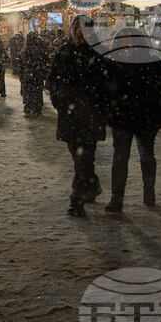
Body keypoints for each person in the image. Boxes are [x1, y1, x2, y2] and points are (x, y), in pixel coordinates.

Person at [104, 27, 161, 214]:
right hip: (122, 118)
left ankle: (149, 191)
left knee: (147, 156)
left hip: (146, 117)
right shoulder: (113, 61)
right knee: (120, 159)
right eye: (124, 39)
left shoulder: (151, 61)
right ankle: (116, 199)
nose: (128, 43)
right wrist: (106, 113)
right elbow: (105, 92)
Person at [48, 15, 111, 217]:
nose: (79, 33)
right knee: (78, 157)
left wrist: (102, 106)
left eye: (83, 29)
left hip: (91, 116)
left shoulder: (99, 54)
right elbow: (52, 80)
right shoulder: (64, 52)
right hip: (69, 115)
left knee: (84, 158)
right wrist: (59, 102)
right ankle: (92, 185)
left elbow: (107, 85)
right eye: (76, 28)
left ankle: (77, 200)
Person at [20, 32, 48, 117]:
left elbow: (21, 63)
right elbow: (44, 61)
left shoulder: (26, 50)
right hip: (37, 74)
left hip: (29, 75)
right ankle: (36, 107)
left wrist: (22, 74)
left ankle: (29, 105)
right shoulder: (39, 49)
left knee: (29, 91)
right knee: (37, 91)